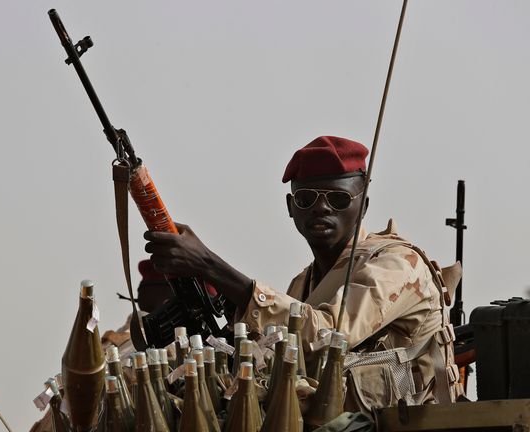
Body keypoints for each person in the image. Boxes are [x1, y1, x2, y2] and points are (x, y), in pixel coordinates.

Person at [144, 136, 462, 410]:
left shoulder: (397, 264)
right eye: (306, 199)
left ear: (363, 205)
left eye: (337, 199)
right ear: (290, 207)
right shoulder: (304, 284)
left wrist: (209, 265)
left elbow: (331, 335)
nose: (321, 208)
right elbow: (278, 350)